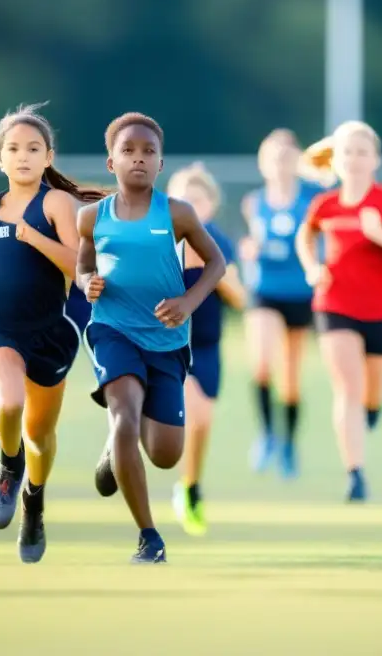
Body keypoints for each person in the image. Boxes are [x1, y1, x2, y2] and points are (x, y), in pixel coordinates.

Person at [0, 103, 105, 563]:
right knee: (9, 403)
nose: (23, 156)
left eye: (34, 148)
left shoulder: (56, 204)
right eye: (13, 149)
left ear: (48, 156)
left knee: (39, 434)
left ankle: (33, 500)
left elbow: (78, 267)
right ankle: (9, 467)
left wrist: (34, 238)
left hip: (51, 334)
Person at [77, 112, 226, 563]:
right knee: (123, 416)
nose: (138, 159)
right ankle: (149, 536)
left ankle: (115, 449)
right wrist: (87, 283)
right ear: (111, 163)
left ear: (161, 164)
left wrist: (187, 302)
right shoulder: (91, 217)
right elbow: (83, 266)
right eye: (128, 151)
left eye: (148, 152)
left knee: (165, 454)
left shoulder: (177, 213)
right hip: (112, 330)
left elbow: (216, 264)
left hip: (167, 340)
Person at [295, 121, 382, 502]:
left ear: (375, 159)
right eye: (347, 151)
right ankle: (355, 473)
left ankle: (372, 408)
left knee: (370, 393)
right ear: (335, 160)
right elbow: (307, 235)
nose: (353, 158)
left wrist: (380, 235)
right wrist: (312, 267)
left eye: (361, 151)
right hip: (334, 304)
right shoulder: (326, 204)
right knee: (347, 389)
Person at [240, 129, 326, 478]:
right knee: (261, 363)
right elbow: (251, 243)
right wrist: (249, 250)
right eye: (273, 158)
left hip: (301, 292)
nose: (280, 164)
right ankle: (266, 434)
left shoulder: (313, 199)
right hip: (265, 290)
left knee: (290, 376)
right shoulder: (253, 202)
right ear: (263, 164)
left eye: (287, 157)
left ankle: (289, 444)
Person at [166, 162, 246, 536]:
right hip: (164, 344)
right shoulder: (159, 239)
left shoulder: (218, 242)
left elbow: (242, 299)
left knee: (202, 423)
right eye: (182, 197)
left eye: (197, 199)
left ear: (211, 205)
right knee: (185, 416)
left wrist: (213, 270)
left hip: (207, 346)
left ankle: (191, 487)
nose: (190, 205)